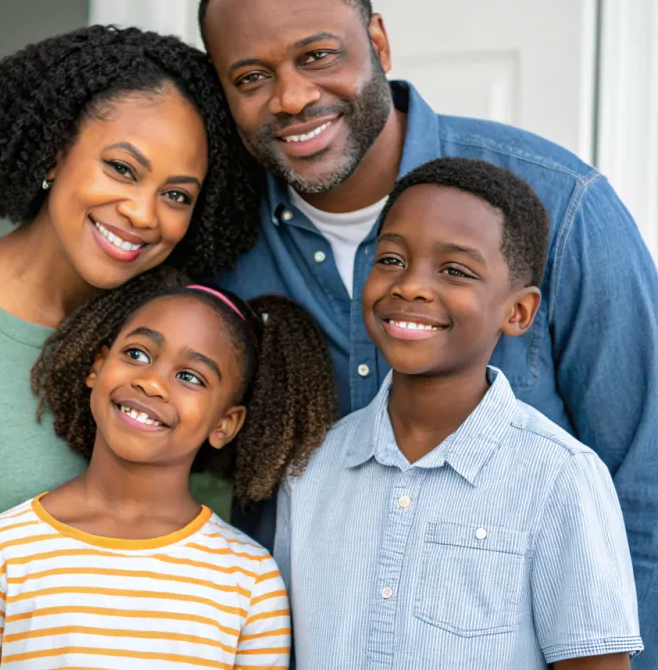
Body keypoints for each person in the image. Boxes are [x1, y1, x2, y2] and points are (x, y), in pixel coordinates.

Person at [197, 0, 658, 655]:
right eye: (251, 77)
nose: (291, 97)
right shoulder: (218, 244)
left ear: (378, 41)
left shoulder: (560, 207)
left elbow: (647, 483)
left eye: (318, 55)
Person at [0, 25, 264, 669]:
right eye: (122, 169)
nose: (142, 213)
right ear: (53, 154)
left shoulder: (186, 333)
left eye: (177, 195)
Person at [275, 157, 643, 669]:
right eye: (391, 260)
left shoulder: (561, 478)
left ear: (518, 312)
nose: (410, 286)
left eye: (455, 270)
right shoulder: (311, 469)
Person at [0, 267, 337, 669]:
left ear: (224, 425)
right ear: (97, 367)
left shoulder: (250, 581)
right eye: (137, 354)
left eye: (190, 377)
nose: (151, 383)